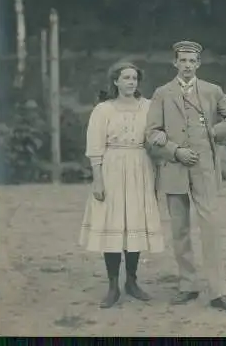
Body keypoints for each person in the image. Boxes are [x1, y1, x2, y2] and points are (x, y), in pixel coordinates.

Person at [145, 41, 226, 314]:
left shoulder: (212, 91)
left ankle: (218, 291)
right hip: (175, 170)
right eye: (183, 60)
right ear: (174, 63)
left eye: (192, 61)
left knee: (210, 228)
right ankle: (188, 285)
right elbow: (152, 133)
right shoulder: (162, 94)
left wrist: (217, 131)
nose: (187, 65)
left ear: (198, 64)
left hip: (204, 170)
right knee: (179, 230)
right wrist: (175, 151)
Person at [79, 61, 165, 308]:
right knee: (114, 225)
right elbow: (95, 147)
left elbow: (158, 135)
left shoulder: (149, 107)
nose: (131, 82)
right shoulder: (104, 110)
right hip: (112, 167)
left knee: (135, 223)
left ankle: (132, 281)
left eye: (134, 78)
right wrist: (98, 180)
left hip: (141, 166)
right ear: (115, 81)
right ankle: (113, 285)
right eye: (126, 78)